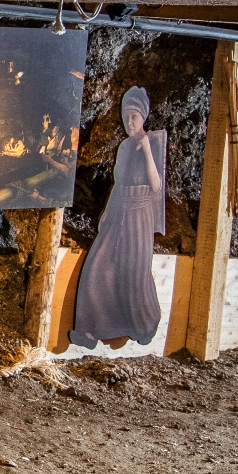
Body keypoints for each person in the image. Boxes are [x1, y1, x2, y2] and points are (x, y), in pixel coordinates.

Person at [68, 86, 165, 348]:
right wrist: (107, 212)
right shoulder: (124, 146)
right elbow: (118, 183)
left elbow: (156, 186)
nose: (129, 122)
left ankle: (144, 326)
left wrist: (147, 150)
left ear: (143, 117)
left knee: (134, 273)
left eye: (134, 116)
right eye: (126, 117)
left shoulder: (154, 143)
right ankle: (88, 331)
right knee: (97, 265)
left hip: (140, 214)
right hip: (119, 209)